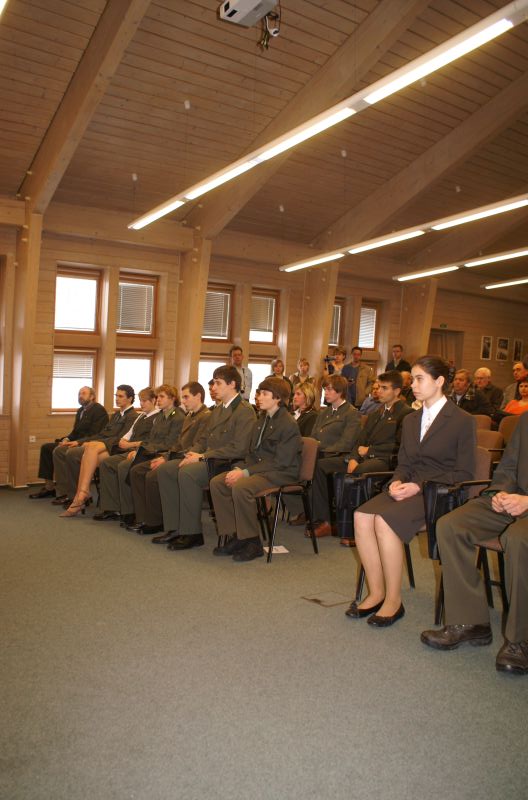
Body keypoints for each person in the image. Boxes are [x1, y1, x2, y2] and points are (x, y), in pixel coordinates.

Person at [347, 356, 476, 627]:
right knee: (361, 516)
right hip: (410, 487)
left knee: (384, 521)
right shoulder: (410, 419)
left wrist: (418, 486)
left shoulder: (461, 420)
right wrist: (397, 481)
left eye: (419, 379)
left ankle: (394, 601)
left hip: (440, 492)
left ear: (439, 381)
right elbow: (404, 464)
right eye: (413, 379)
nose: (413, 385)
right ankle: (377, 592)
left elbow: (464, 473)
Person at [421, 413, 528, 675]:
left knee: (517, 538)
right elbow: (508, 466)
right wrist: (499, 493)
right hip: (515, 499)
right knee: (451, 525)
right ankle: (470, 622)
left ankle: (520, 640)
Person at [155, 366, 256, 550]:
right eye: (214, 383)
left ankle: (192, 533)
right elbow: (204, 440)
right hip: (210, 459)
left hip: (228, 462)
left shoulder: (244, 410)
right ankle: (175, 527)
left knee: (188, 473)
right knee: (166, 469)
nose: (214, 387)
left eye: (218, 383)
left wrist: (202, 456)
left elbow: (239, 448)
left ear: (232, 384)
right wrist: (192, 454)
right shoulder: (218, 410)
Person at [210, 377, 302, 562]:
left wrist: (245, 473)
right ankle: (236, 535)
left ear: (277, 398)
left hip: (281, 472)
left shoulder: (288, 424)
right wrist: (240, 468)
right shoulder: (262, 419)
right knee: (218, 482)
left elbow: (280, 462)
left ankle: (252, 542)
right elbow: (253, 454)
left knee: (242, 487)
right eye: (259, 393)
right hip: (262, 469)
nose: (259, 397)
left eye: (264, 394)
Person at [314, 371, 412, 540]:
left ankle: (354, 528)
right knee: (320, 466)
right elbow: (360, 440)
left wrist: (370, 451)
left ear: (397, 391)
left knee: (360, 472)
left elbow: (402, 446)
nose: (379, 391)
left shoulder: (406, 414)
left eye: (384, 388)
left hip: (386, 460)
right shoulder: (376, 414)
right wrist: (352, 458)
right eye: (378, 387)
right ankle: (326, 521)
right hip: (362, 457)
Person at [94, 385, 185, 524]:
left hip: (160, 453)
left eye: (161, 397)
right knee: (113, 463)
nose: (158, 400)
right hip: (149, 450)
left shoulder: (177, 417)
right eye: (157, 397)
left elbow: (169, 443)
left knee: (126, 466)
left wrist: (141, 449)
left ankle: (133, 512)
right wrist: (139, 450)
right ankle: (123, 510)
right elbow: (151, 439)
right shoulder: (161, 415)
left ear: (172, 398)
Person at [132, 383, 211, 538]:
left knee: (158, 473)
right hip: (178, 455)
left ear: (198, 396)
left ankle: (164, 523)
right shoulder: (189, 416)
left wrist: (167, 458)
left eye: (186, 397)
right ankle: (158, 521)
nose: (183, 401)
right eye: (183, 397)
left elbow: (199, 445)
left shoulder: (205, 416)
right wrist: (166, 457)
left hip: (192, 458)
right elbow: (179, 444)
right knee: (139, 470)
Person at [52, 385, 138, 511]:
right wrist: (81, 441)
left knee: (73, 453)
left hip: (112, 448)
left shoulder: (132, 416)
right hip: (101, 444)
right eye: (116, 396)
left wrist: (94, 443)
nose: (117, 399)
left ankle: (78, 495)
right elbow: (102, 434)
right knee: (65, 451)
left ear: (130, 399)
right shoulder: (116, 415)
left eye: (120, 396)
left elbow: (120, 439)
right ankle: (74, 494)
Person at [294, 374, 361, 534]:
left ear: (340, 391)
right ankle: (306, 510)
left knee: (317, 467)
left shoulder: (351, 413)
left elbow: (346, 443)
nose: (326, 393)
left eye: (330, 389)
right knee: (296, 462)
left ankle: (323, 520)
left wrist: (320, 448)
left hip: (341, 457)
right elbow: (313, 436)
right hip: (323, 454)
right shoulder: (324, 412)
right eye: (325, 389)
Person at [29, 387, 108, 499]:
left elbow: (97, 434)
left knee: (60, 451)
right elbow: (75, 432)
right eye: (79, 393)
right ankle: (49, 487)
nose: (80, 396)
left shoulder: (99, 410)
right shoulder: (81, 411)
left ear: (92, 397)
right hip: (75, 442)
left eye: (84, 393)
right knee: (46, 448)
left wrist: (77, 442)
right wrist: (66, 439)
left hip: (87, 444)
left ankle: (66, 492)